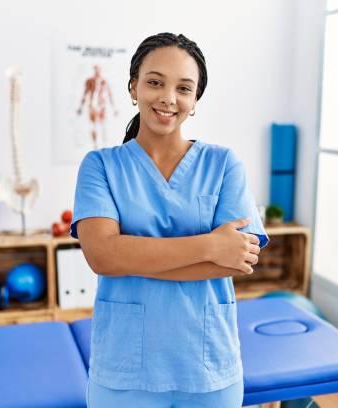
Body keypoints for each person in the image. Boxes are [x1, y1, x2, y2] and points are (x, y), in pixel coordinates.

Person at [71, 33, 269, 408]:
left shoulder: (224, 164)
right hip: (124, 373)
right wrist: (211, 246)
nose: (168, 98)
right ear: (133, 87)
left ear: (194, 101)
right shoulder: (100, 166)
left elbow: (241, 258)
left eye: (183, 88)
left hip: (208, 369)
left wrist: (132, 257)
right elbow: (102, 257)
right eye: (155, 82)